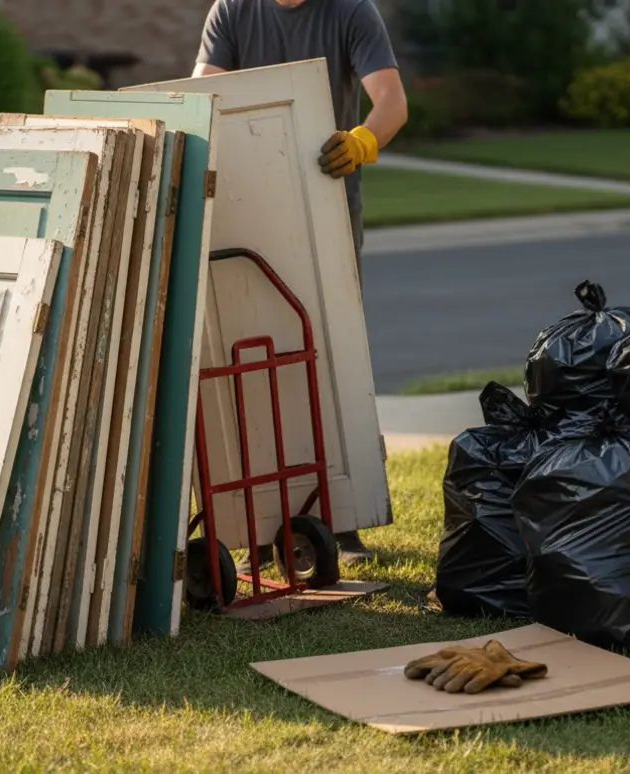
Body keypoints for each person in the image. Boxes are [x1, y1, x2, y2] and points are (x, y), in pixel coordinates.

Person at [193, 0, 408, 565]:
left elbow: (391, 100)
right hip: (251, 199)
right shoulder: (234, 11)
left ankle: (344, 520)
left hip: (328, 199)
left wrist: (363, 141)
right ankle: (258, 526)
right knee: (254, 352)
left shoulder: (350, 11)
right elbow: (202, 96)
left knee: (331, 353)